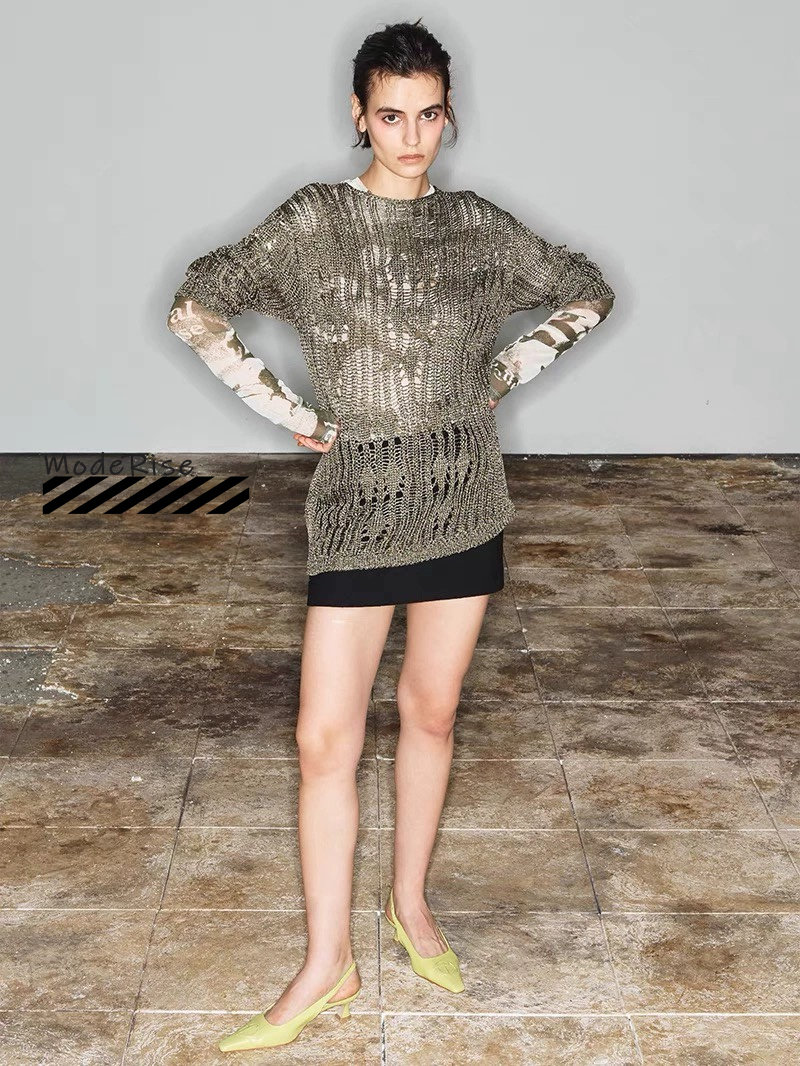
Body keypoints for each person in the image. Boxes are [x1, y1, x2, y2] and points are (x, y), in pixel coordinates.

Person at [166, 18, 615, 1053]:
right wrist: (284, 408)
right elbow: (198, 307)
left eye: (427, 115)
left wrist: (507, 370)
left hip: (462, 495)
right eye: (390, 116)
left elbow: (585, 289)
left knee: (431, 711)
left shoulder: (475, 228)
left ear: (448, 115)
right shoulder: (316, 221)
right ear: (358, 116)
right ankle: (326, 964)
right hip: (359, 503)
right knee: (322, 738)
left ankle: (410, 904)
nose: (410, 137)